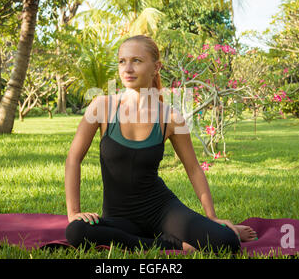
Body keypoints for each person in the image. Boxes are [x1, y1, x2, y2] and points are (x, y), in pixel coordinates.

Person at [65, 35, 257, 253]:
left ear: (156, 67)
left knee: (227, 242)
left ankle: (155, 240)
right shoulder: (102, 106)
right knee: (76, 231)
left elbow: (193, 169)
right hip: (119, 217)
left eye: (136, 60)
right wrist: (74, 213)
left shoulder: (171, 118)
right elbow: (73, 159)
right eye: (122, 61)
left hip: (162, 210)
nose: (127, 68)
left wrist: (211, 216)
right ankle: (171, 244)